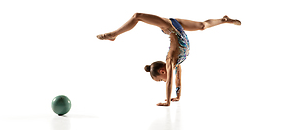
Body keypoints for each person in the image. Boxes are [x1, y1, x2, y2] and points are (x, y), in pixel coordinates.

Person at [97, 13, 241, 106]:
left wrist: (167, 101)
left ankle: (113, 34)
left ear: (162, 70)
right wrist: (177, 96)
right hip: (178, 26)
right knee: (203, 26)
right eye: (161, 82)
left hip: (169, 26)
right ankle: (224, 20)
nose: (164, 81)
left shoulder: (170, 59)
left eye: (160, 79)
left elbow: (170, 82)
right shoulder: (177, 63)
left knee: (137, 16)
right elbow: (178, 80)